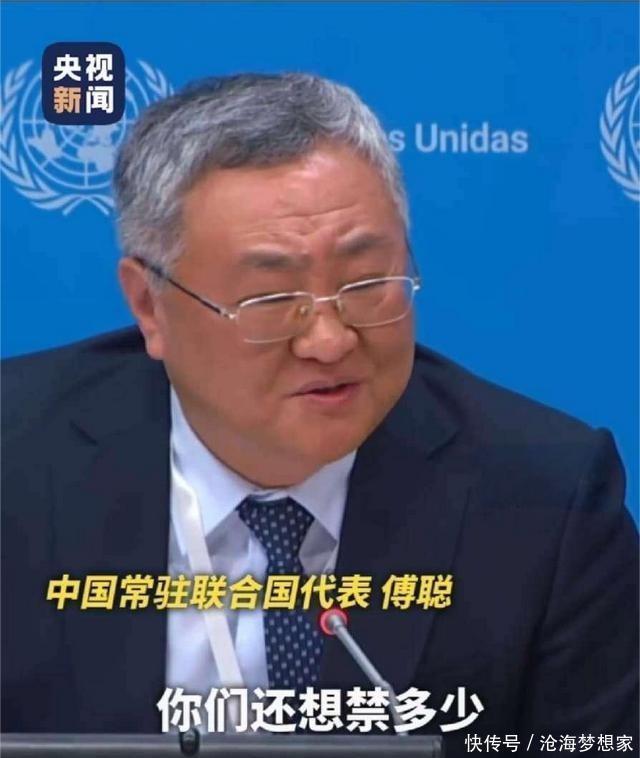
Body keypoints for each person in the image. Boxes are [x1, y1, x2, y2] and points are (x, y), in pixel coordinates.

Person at [2, 73, 638, 753]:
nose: (330, 341)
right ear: (149, 305)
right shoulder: (18, 460)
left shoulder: (545, 498)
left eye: (367, 283)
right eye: (271, 300)